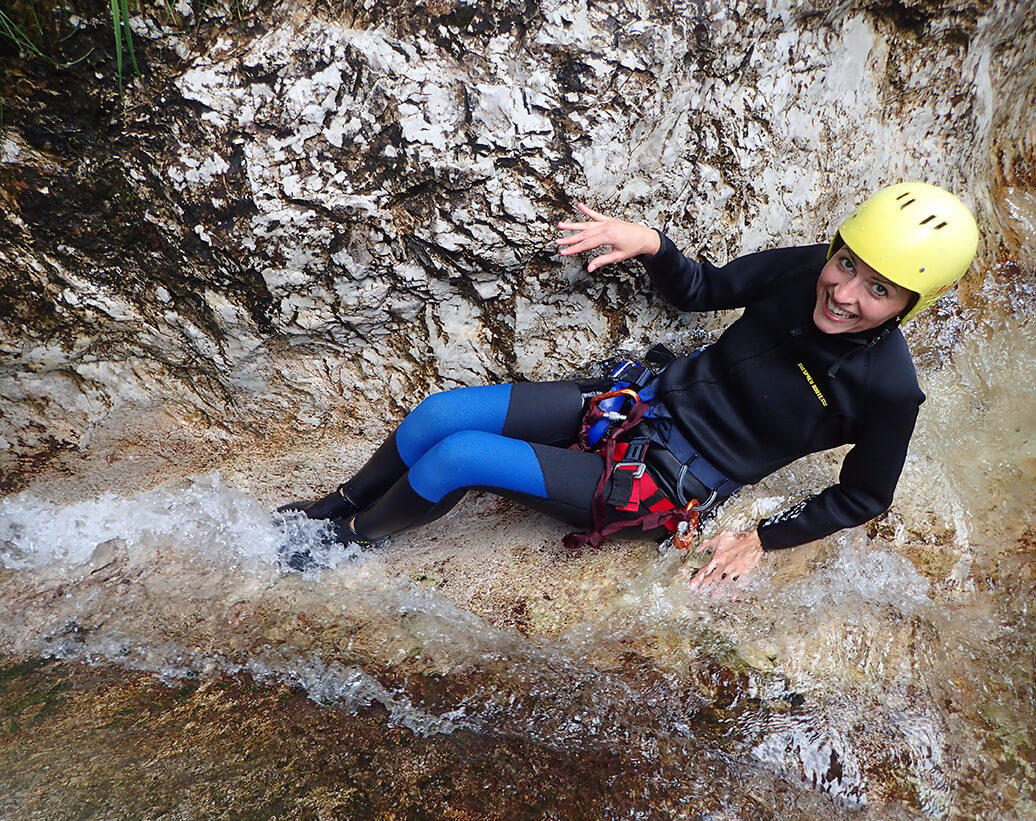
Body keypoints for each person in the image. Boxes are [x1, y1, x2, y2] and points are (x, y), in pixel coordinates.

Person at [277, 182, 979, 591]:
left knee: (460, 457)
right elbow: (706, 288)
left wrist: (761, 540)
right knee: (441, 415)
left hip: (667, 481)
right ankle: (331, 505)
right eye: (846, 264)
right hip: (637, 402)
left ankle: (350, 539)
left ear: (911, 303)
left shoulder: (888, 388)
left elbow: (864, 495)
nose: (845, 291)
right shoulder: (805, 270)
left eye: (878, 289)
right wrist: (653, 246)